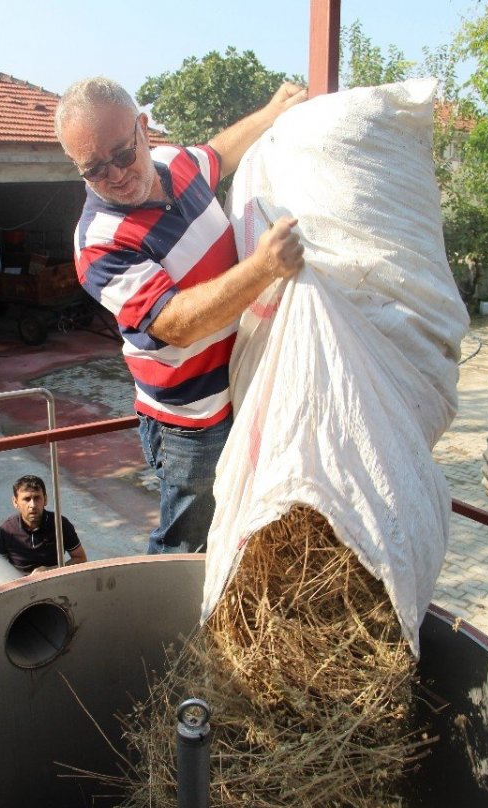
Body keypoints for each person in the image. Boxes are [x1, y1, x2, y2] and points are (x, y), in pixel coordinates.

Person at [55, 76, 306, 554]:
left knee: (240, 525)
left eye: (122, 155)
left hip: (240, 386)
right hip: (190, 422)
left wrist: (272, 111)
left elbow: (218, 153)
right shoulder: (98, 241)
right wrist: (264, 267)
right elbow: (175, 322)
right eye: (94, 170)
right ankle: (165, 625)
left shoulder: (174, 162)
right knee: (186, 543)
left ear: (143, 130)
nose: (116, 175)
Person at [0, 475, 87, 574]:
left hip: (53, 583)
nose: (33, 505)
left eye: (37, 498)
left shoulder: (60, 525)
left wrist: (50, 571)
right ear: (15, 502)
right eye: (27, 499)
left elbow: (80, 558)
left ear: (45, 499)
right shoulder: (6, 530)